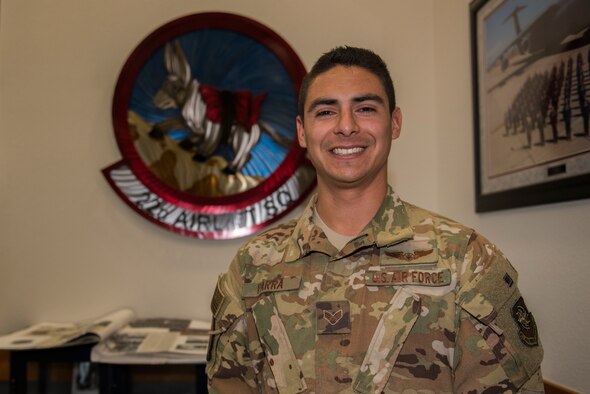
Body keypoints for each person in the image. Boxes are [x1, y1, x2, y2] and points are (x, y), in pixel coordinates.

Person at [206, 46, 544, 393]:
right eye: (325, 112)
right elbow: (228, 384)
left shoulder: (465, 260)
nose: (347, 126)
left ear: (394, 122)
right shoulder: (252, 266)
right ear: (302, 131)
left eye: (365, 108)